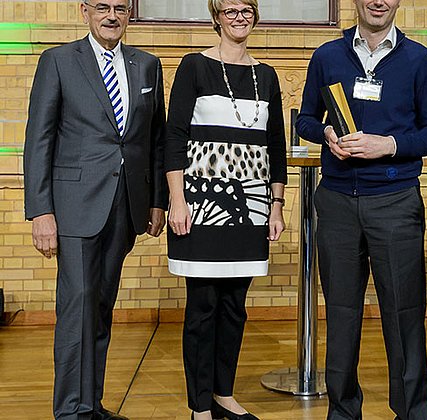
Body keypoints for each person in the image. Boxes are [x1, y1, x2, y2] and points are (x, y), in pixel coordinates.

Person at [296, 1, 427, 418]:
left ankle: (411, 413)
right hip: (337, 202)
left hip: (396, 202)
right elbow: (304, 120)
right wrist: (324, 132)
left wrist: (390, 145)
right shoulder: (328, 55)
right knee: (342, 317)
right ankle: (343, 412)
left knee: (404, 317)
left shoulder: (419, 59)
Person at [23, 0, 167, 418]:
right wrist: (41, 212)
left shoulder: (147, 66)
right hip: (72, 208)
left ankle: (92, 404)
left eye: (120, 8)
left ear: (129, 14)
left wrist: (157, 199)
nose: (111, 16)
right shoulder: (58, 61)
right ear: (83, 11)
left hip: (125, 206)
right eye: (102, 7)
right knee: (77, 306)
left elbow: (154, 138)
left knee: (101, 306)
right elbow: (39, 140)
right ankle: (71, 410)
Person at [164, 0, 286, 419]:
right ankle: (199, 406)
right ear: (216, 16)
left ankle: (223, 394)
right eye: (230, 9)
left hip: (250, 204)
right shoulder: (193, 66)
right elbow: (175, 136)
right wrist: (176, 201)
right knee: (202, 307)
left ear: (255, 15)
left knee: (235, 306)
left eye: (246, 9)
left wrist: (276, 204)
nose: (239, 17)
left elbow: (276, 147)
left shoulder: (266, 75)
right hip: (200, 203)